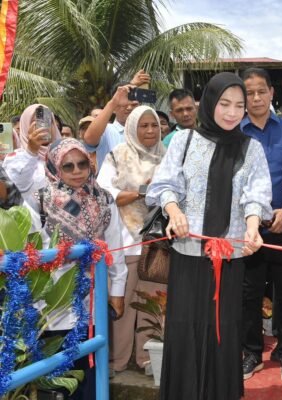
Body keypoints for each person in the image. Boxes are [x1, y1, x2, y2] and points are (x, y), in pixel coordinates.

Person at [146, 72, 272, 400]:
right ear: (210, 103)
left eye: (240, 106)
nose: (232, 112)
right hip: (188, 256)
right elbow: (166, 185)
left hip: (229, 258)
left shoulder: (251, 147)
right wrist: (175, 213)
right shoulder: (185, 141)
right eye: (225, 104)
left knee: (223, 332)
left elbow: (256, 194)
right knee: (185, 331)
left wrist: (253, 225)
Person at [30, 138, 127, 400]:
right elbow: (33, 251)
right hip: (51, 304)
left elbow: (115, 249)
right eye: (68, 166)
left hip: (91, 301)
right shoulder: (39, 200)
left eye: (82, 164)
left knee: (91, 372)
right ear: (54, 167)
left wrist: (117, 291)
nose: (77, 171)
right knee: (57, 376)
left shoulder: (104, 199)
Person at [239, 67, 282, 383]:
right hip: (248, 232)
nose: (256, 98)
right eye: (249, 92)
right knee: (249, 295)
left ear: (271, 93)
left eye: (261, 91)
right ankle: (252, 352)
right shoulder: (234, 133)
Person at [96, 105, 166, 376]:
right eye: (143, 126)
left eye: (154, 126)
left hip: (157, 243)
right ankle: (117, 360)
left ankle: (148, 359)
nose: (149, 131)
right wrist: (140, 192)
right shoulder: (118, 155)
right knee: (121, 301)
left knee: (152, 303)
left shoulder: (167, 156)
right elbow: (106, 193)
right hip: (123, 239)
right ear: (131, 128)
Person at [83, 71, 149, 167]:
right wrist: (113, 102)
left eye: (134, 104)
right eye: (123, 105)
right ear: (113, 108)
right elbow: (89, 138)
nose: (129, 108)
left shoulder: (148, 131)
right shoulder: (106, 130)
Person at [2, 104, 62, 208]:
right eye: (36, 122)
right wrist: (31, 151)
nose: (44, 126)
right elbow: (16, 188)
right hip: (31, 221)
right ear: (25, 126)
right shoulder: (15, 158)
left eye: (49, 121)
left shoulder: (66, 155)